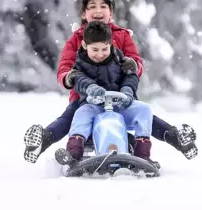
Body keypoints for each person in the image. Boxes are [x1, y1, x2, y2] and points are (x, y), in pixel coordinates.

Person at [23, 0, 198, 163]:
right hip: (86, 97)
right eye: (92, 7)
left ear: (111, 12)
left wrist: (132, 70)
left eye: (103, 6)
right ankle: (45, 140)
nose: (98, 10)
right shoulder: (77, 39)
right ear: (84, 13)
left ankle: (175, 138)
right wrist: (72, 78)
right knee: (71, 117)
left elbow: (135, 63)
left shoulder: (121, 36)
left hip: (120, 95)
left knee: (146, 116)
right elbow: (65, 67)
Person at [57, 20, 154, 165]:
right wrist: (91, 88)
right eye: (95, 50)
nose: (100, 54)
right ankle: (73, 155)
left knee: (144, 110)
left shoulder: (120, 59)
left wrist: (127, 91)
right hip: (94, 106)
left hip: (119, 105)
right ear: (84, 45)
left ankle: (142, 156)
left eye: (104, 49)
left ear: (111, 44)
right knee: (80, 114)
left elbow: (131, 75)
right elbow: (79, 79)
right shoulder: (80, 63)